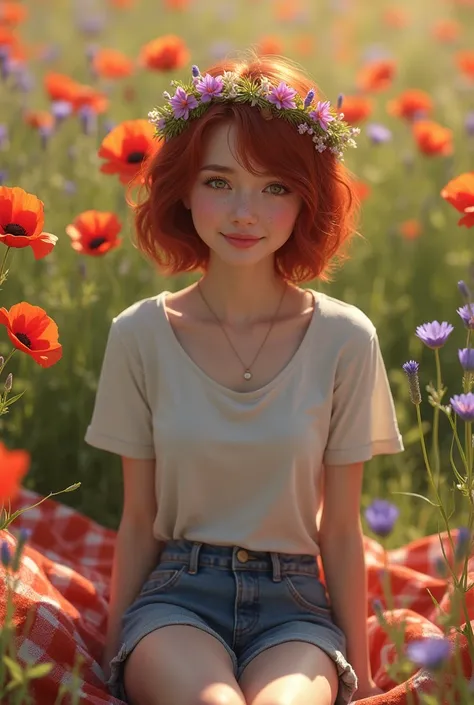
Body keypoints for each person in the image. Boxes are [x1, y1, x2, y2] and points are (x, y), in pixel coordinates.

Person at [84, 50, 404, 705]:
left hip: (295, 606)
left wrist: (364, 678)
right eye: (220, 181)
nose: (244, 213)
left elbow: (341, 529)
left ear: (306, 196)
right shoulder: (139, 334)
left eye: (275, 187)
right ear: (183, 188)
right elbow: (139, 517)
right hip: (176, 598)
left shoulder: (347, 338)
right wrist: (113, 654)